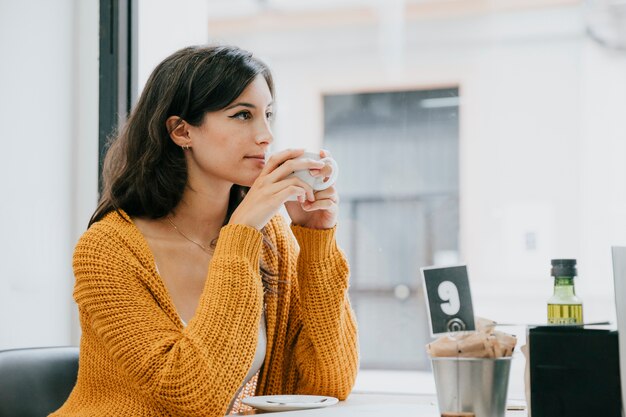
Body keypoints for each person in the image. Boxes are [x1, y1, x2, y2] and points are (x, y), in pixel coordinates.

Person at [51, 45, 359, 417]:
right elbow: (193, 397)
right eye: (242, 115)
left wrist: (315, 240)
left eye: (268, 115)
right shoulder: (106, 251)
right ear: (182, 131)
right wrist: (241, 232)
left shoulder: (270, 238)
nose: (266, 136)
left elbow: (329, 383)